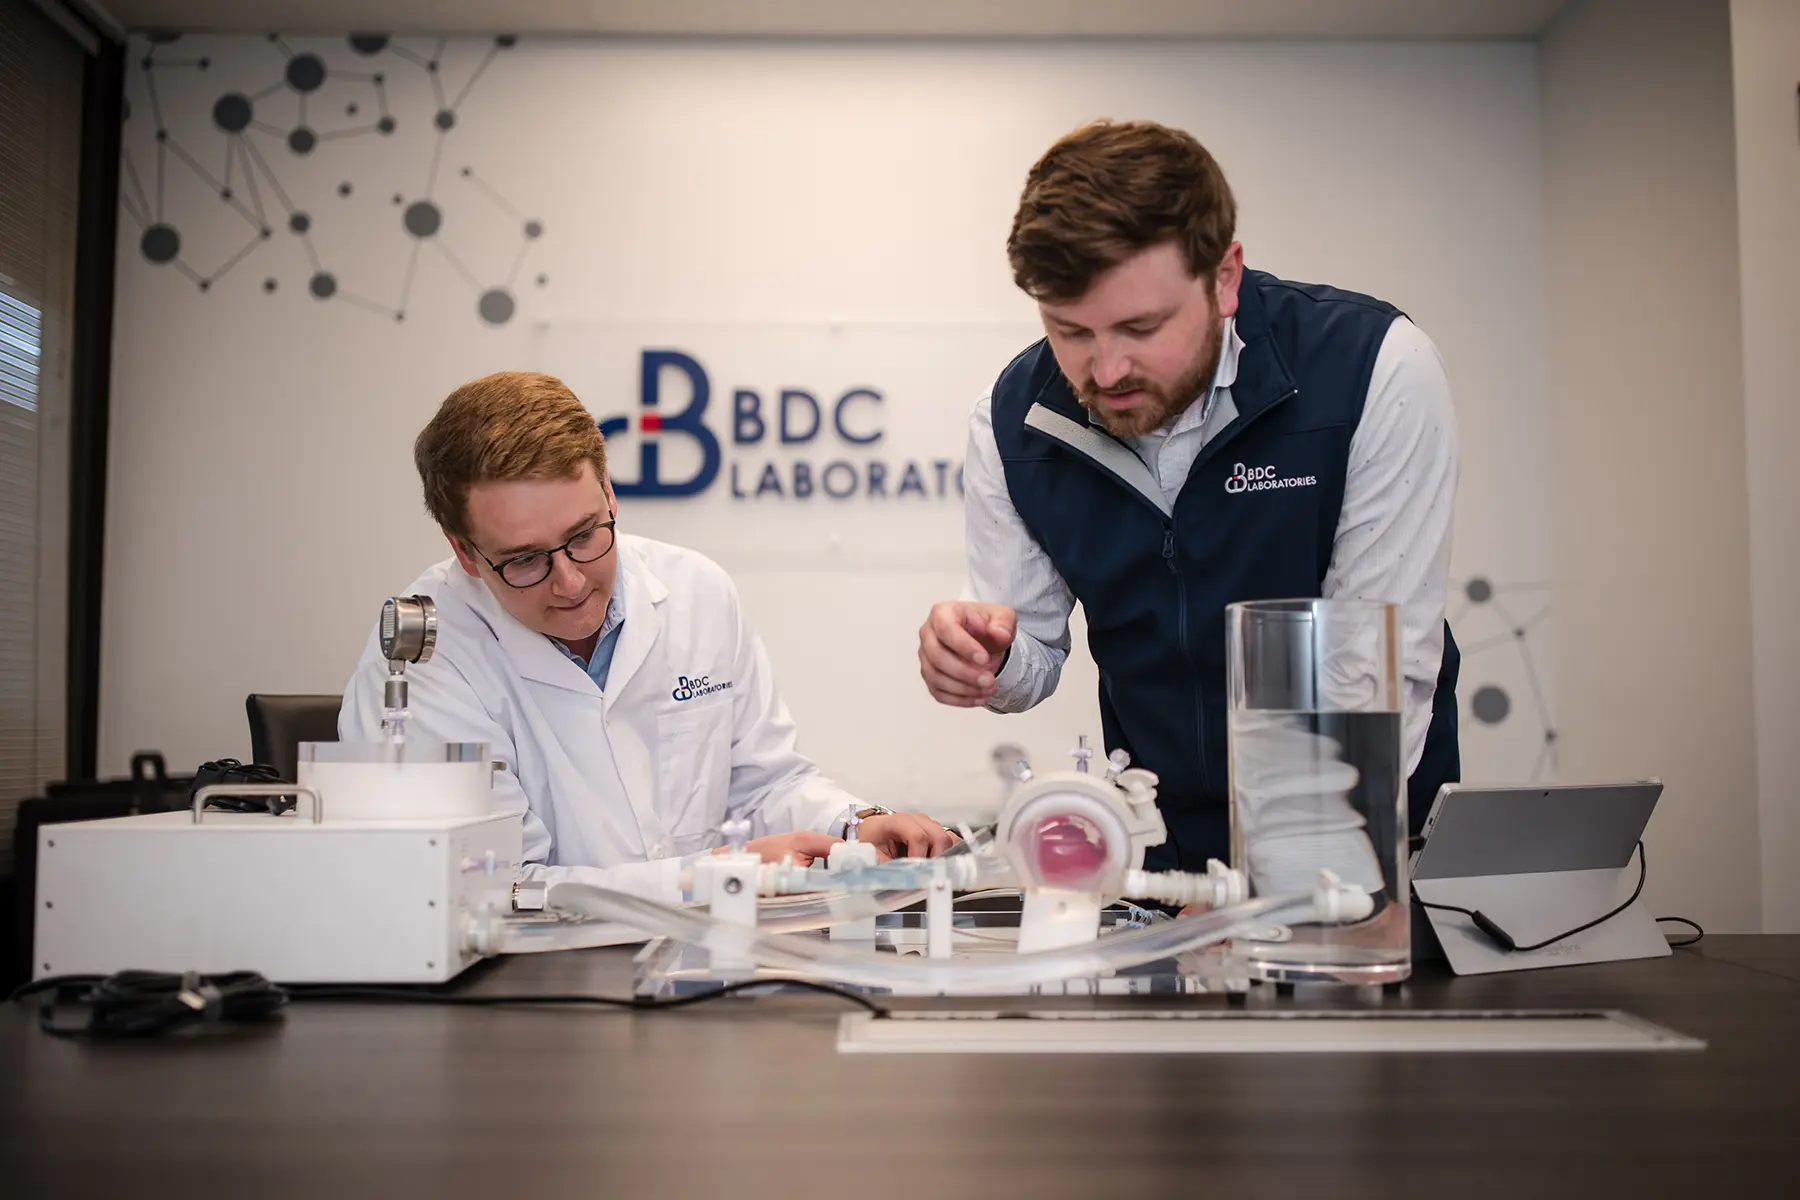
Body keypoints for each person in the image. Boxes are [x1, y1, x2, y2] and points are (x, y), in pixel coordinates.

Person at [918, 119, 1461, 873]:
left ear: (1225, 276)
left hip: (1366, 853)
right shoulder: (1012, 418)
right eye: (1069, 331)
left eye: (1142, 327)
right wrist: (991, 657)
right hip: (1166, 870)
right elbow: (1033, 659)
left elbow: (1374, 675)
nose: (1106, 371)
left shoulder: (1371, 369)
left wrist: (1301, 895)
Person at [343, 371, 954, 901]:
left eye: (585, 534)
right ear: (465, 552)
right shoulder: (424, 655)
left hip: (704, 967)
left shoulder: (695, 591)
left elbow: (765, 783)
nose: (571, 581)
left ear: (609, 493)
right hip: (534, 994)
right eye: (525, 560)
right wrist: (712, 878)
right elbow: (490, 888)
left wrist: (855, 825)